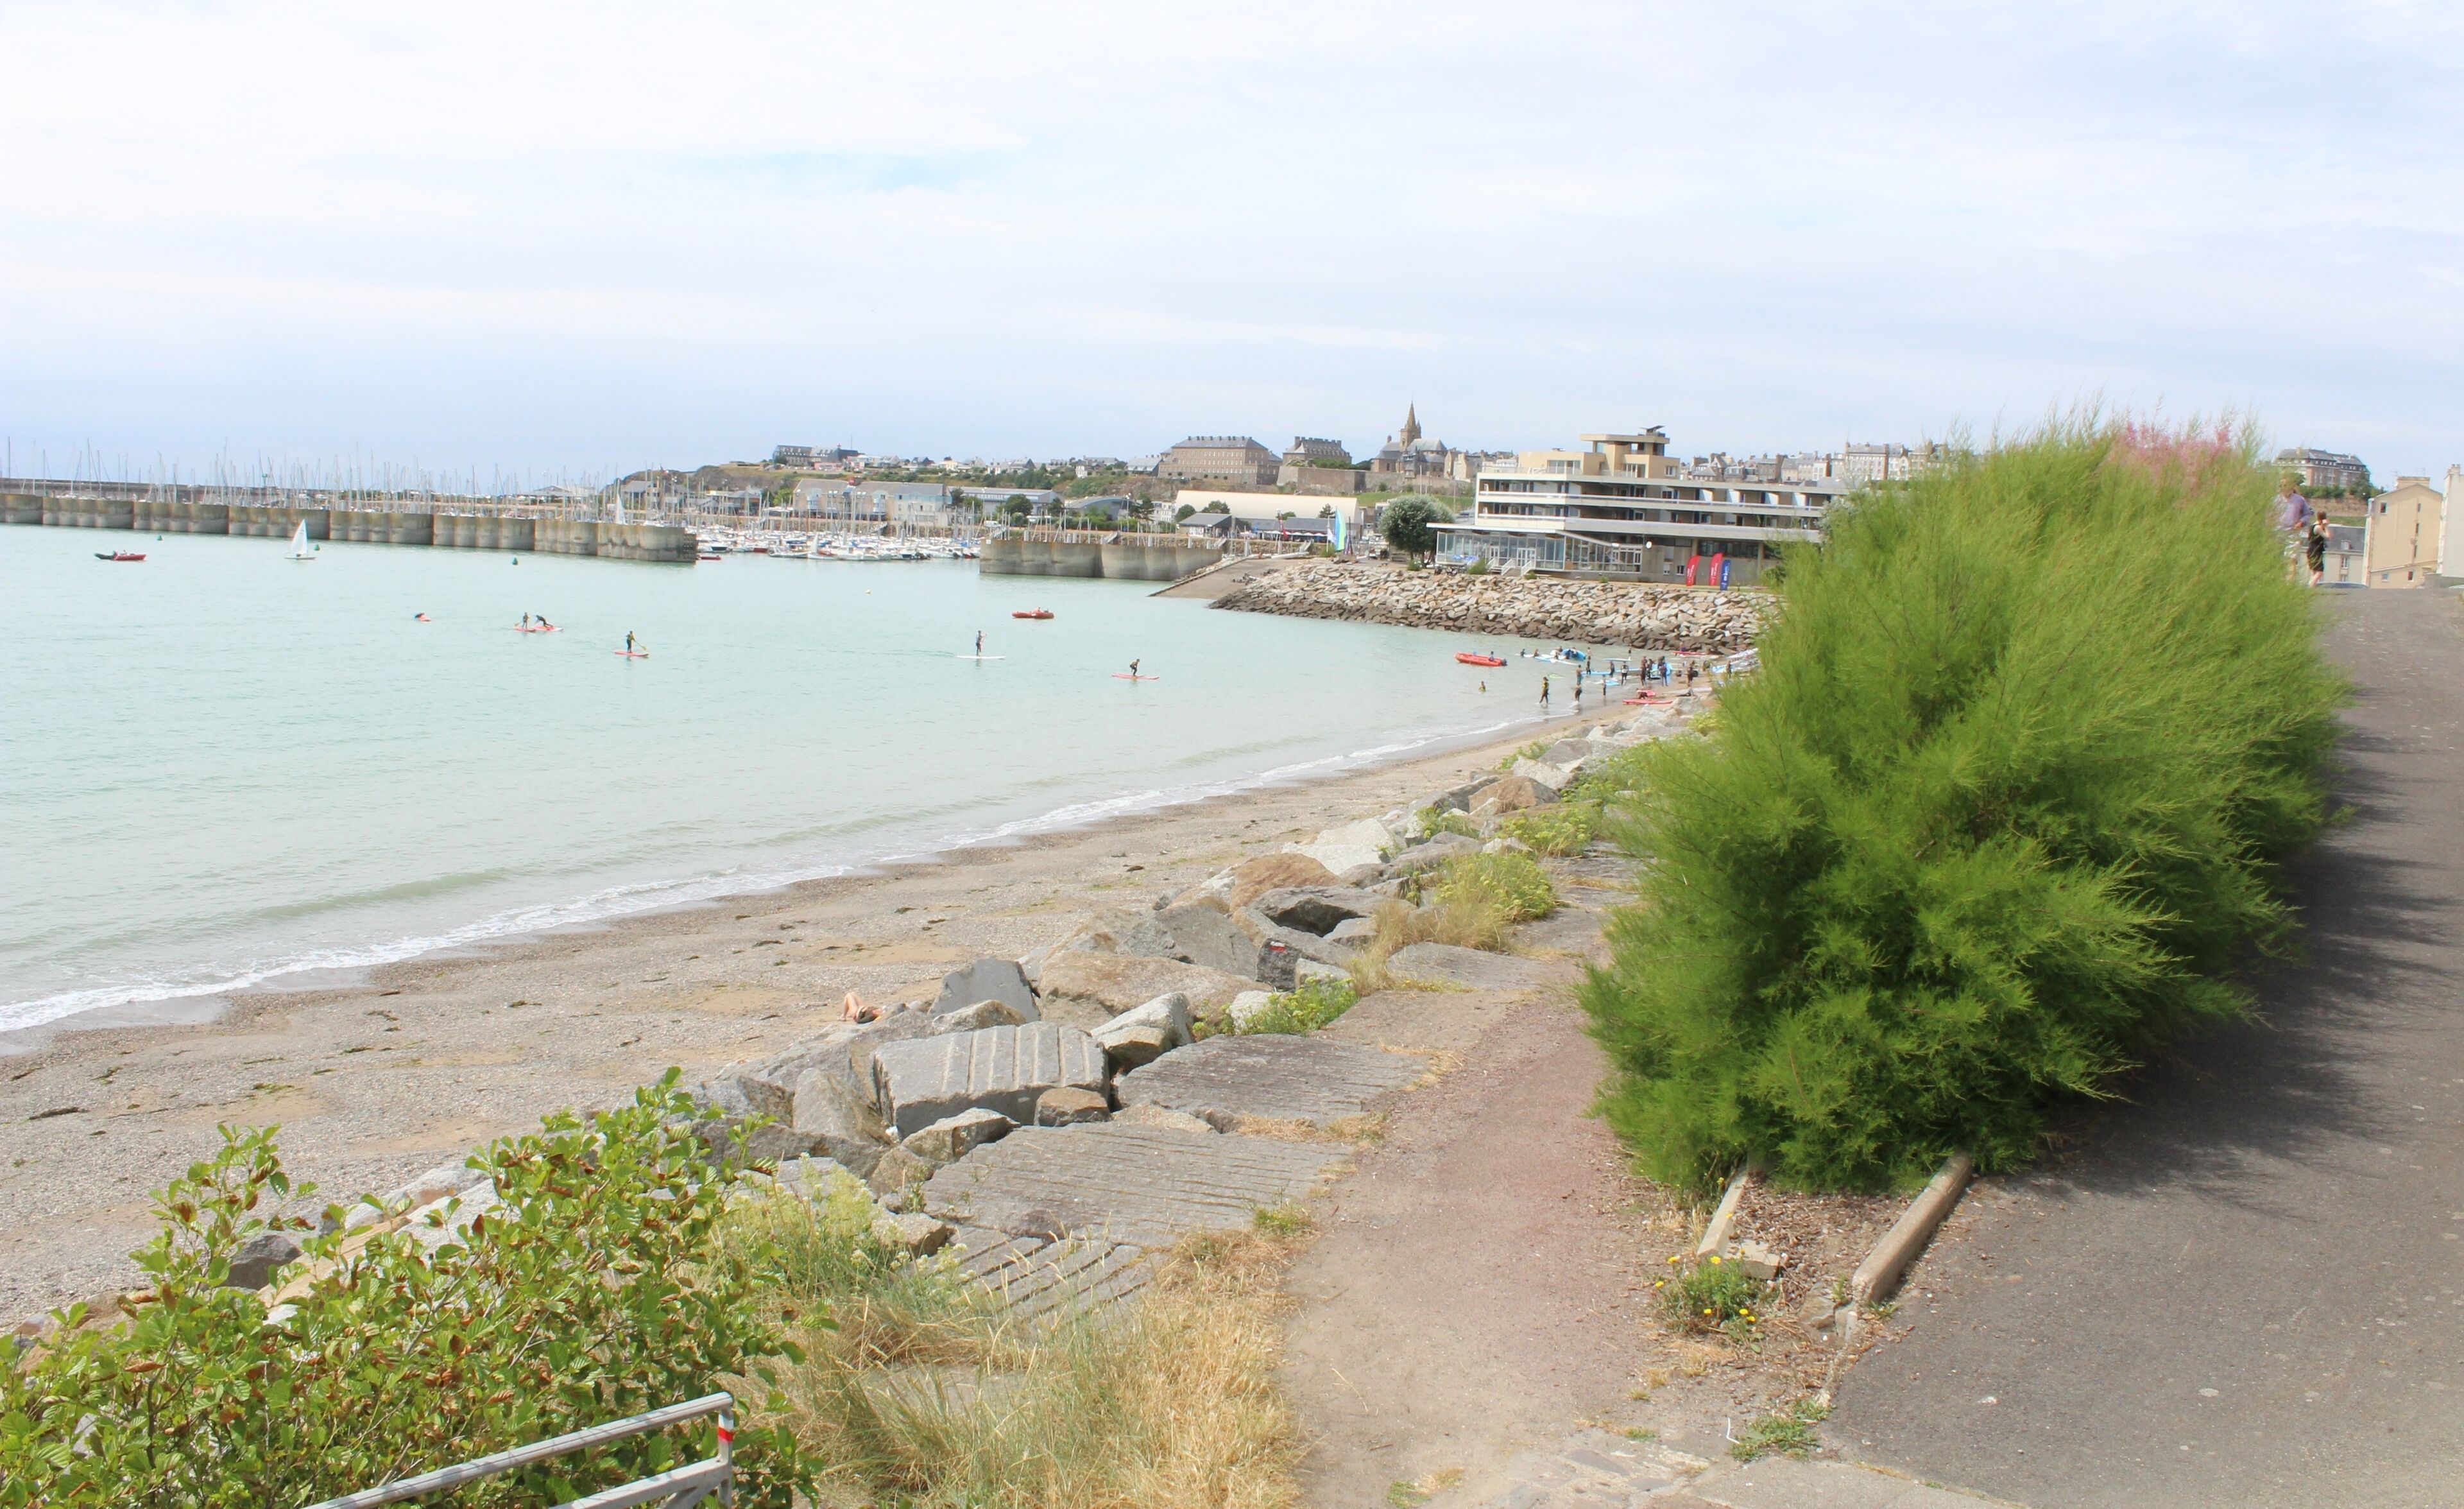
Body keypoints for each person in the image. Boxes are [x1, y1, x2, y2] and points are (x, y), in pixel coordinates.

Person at [2306, 521, 2328, 587]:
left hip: (2311, 550)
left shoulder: (2312, 527)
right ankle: (2310, 587)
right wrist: (2326, 527)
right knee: (2319, 572)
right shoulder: (2317, 528)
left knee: (2314, 572)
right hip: (2315, 551)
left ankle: (2312, 588)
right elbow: (2328, 537)